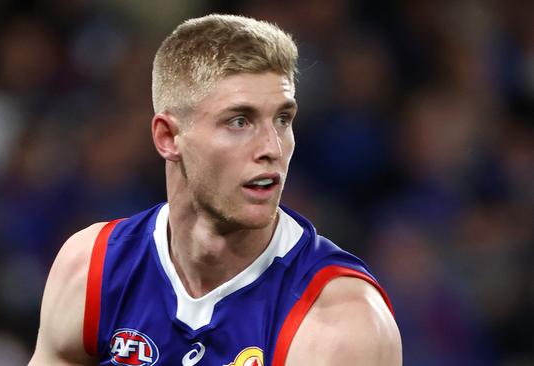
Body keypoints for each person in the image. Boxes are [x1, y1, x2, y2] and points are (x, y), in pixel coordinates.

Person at [29, 14, 401, 366]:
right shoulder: (92, 269)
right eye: (240, 121)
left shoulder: (341, 323)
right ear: (168, 137)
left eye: (283, 119)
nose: (271, 147)